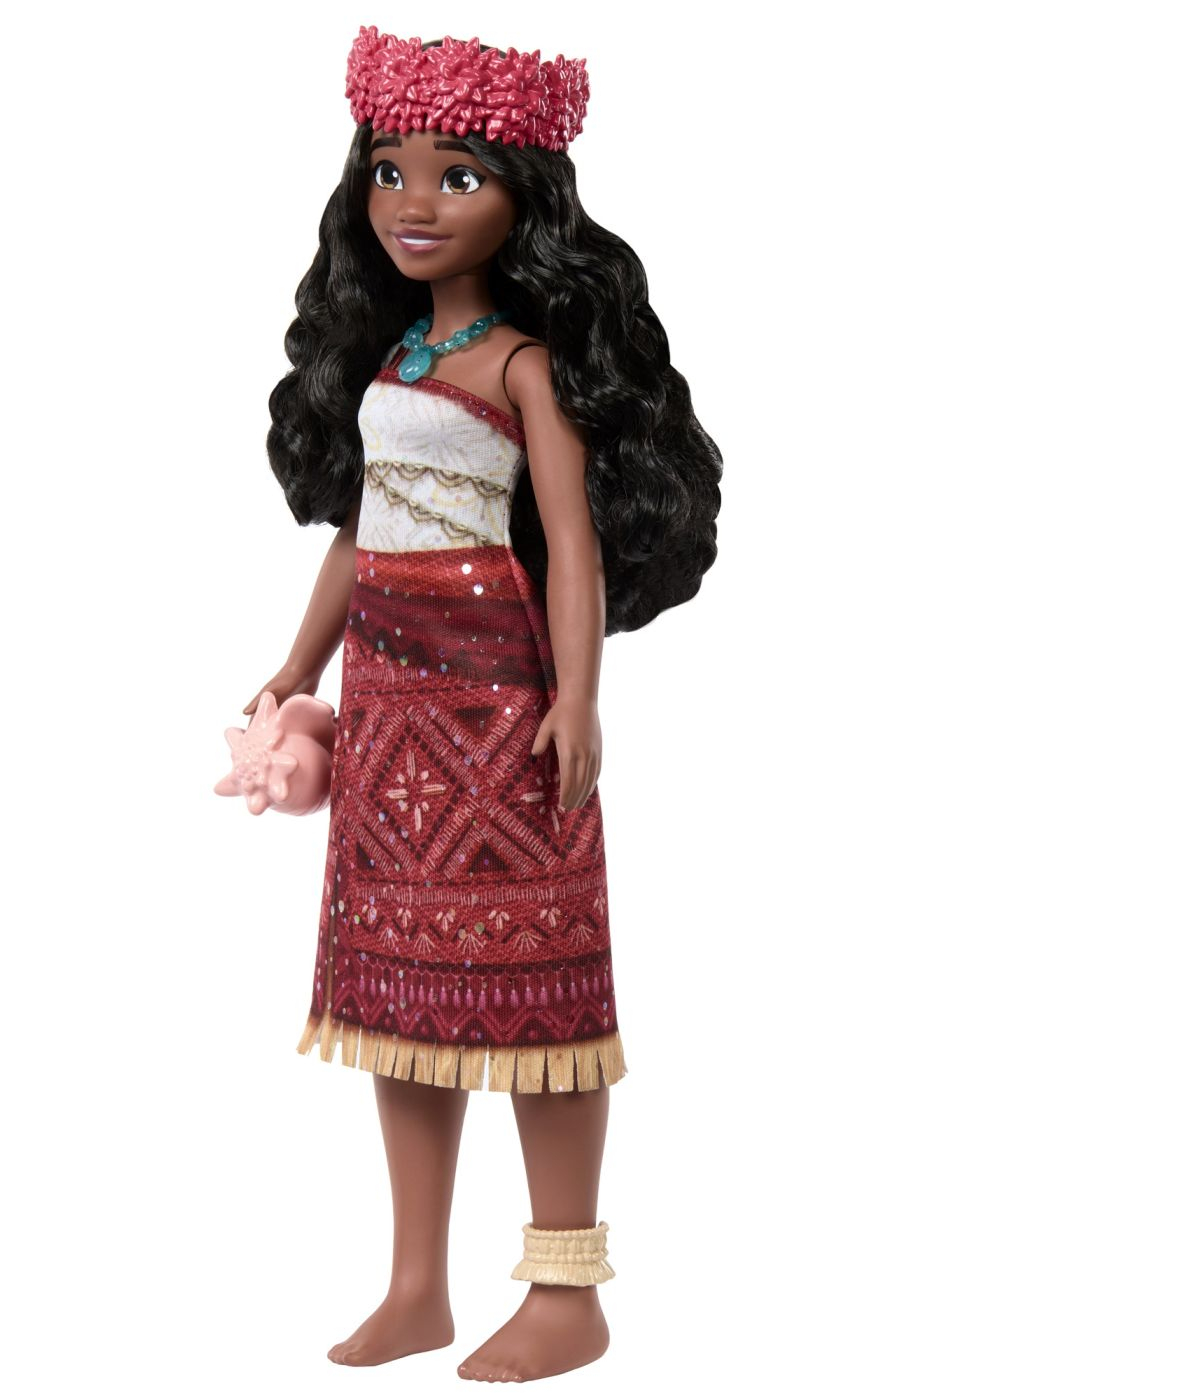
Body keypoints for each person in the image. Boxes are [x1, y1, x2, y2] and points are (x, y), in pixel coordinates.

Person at [245, 27, 724, 1383]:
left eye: (457, 176)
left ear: (528, 198)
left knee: (538, 996)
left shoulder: (522, 365)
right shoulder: (394, 363)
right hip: (390, 710)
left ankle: (567, 1290)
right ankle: (417, 1284)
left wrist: (580, 695)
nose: (414, 202)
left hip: (502, 708)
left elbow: (570, 544)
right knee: (399, 996)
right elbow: (359, 534)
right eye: (390, 171)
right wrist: (295, 669)